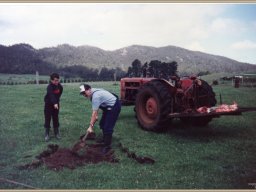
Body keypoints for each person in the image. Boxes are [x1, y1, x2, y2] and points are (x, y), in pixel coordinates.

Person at [79, 84, 121, 154]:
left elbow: (94, 113)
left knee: (108, 127)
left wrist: (90, 126)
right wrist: (95, 116)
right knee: (102, 123)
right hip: (107, 107)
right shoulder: (92, 93)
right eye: (82, 93)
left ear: (89, 89)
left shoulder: (95, 96)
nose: (84, 95)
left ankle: (107, 146)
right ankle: (105, 139)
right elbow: (96, 111)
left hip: (114, 107)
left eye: (84, 92)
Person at [44, 73, 63, 141]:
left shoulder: (60, 86)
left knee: (55, 118)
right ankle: (47, 133)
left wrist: (56, 102)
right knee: (47, 118)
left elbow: (59, 94)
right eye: (55, 80)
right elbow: (51, 95)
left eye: (57, 80)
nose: (56, 82)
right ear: (51, 80)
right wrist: (54, 103)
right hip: (48, 104)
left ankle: (56, 132)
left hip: (56, 104)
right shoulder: (49, 87)